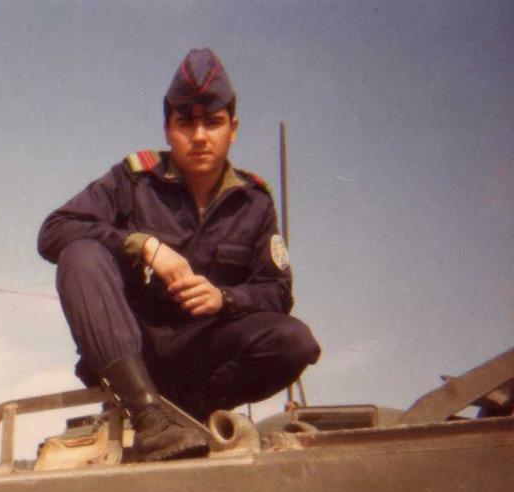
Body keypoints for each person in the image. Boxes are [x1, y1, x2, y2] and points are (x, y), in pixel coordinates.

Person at [38, 48, 320, 462]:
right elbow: (54, 230)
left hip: (205, 354)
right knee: (80, 254)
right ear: (168, 129)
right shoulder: (134, 180)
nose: (200, 136)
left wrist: (225, 298)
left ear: (233, 129)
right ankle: (149, 418)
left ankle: (187, 417)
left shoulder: (255, 201)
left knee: (295, 341)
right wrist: (145, 246)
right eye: (186, 123)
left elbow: (277, 291)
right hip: (133, 349)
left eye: (213, 122)